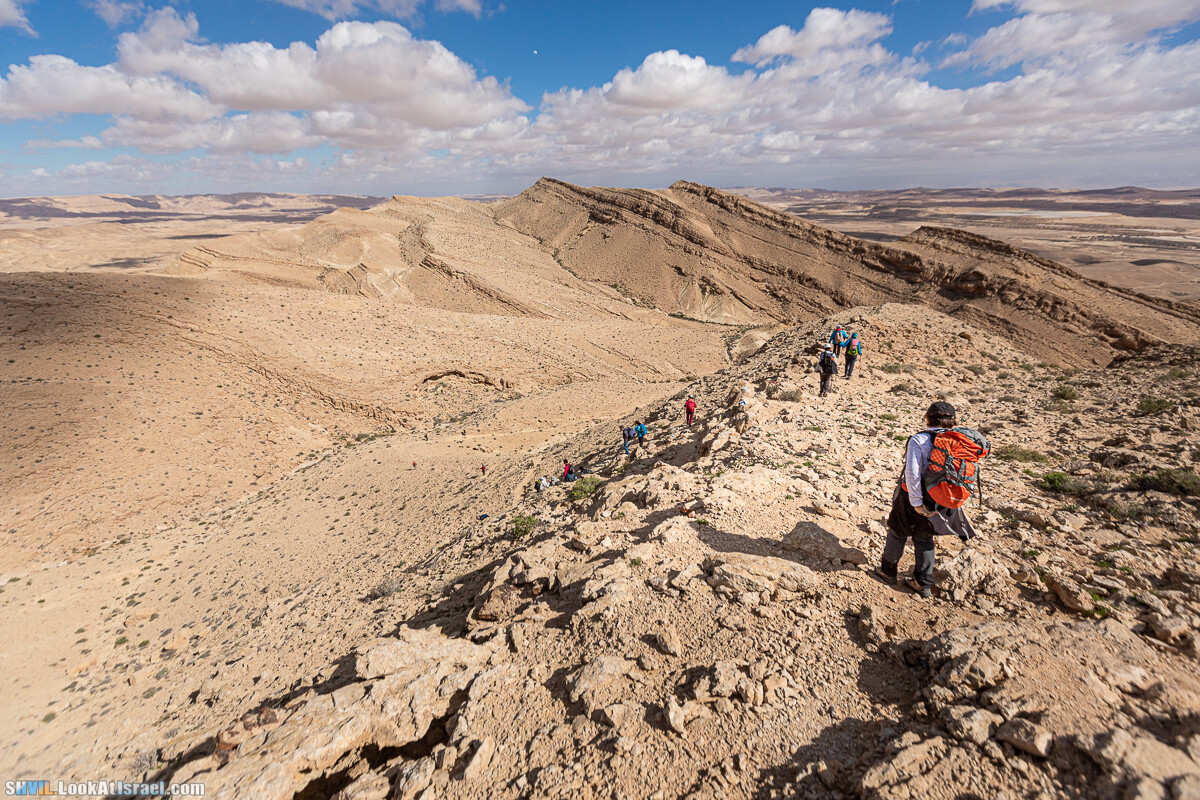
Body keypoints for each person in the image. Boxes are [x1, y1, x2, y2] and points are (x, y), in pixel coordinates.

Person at [875, 402, 977, 598]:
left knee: (897, 531)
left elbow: (912, 473)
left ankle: (887, 572)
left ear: (927, 418)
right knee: (924, 537)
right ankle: (922, 583)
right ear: (952, 421)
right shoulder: (960, 442)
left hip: (912, 496)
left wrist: (916, 503)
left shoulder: (919, 439)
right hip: (942, 496)